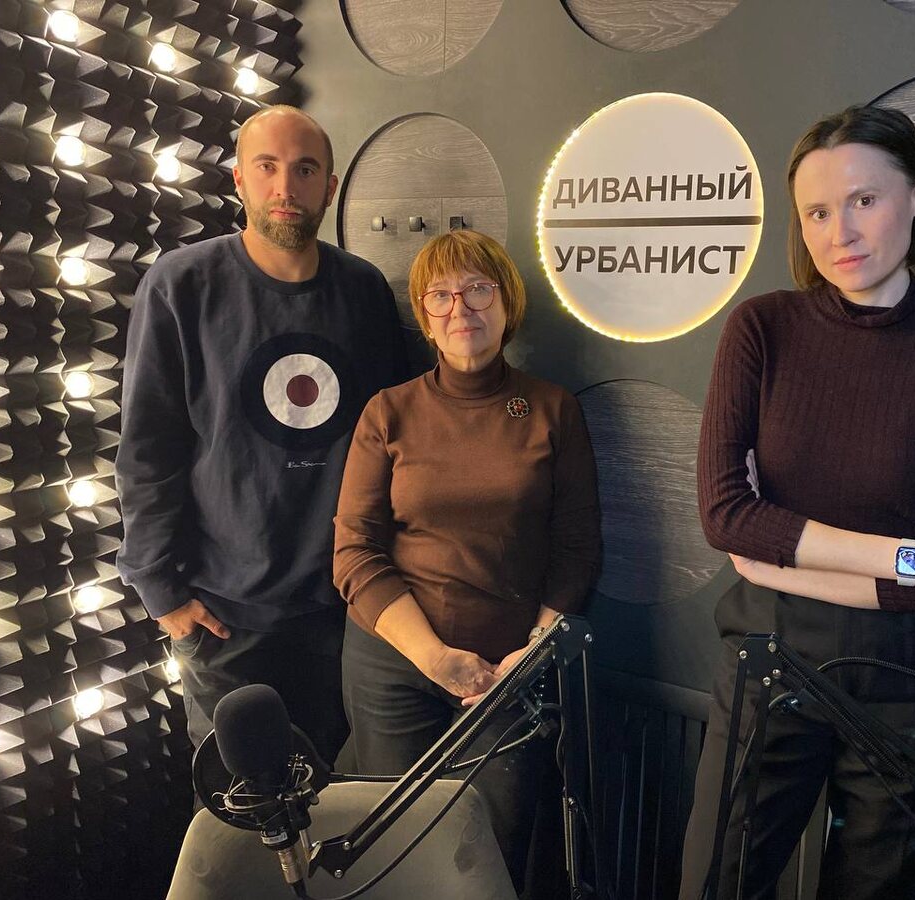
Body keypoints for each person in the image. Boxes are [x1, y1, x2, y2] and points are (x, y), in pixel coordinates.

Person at [679, 105, 915, 900]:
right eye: (818, 212)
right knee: (713, 883)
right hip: (771, 659)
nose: (841, 232)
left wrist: (776, 560)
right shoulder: (761, 329)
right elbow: (726, 517)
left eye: (865, 200)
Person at [116, 105, 408, 764]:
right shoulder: (181, 285)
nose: (285, 187)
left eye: (304, 170)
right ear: (239, 180)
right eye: (267, 167)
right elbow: (147, 450)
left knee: (347, 801)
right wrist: (163, 593)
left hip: (346, 607)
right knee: (244, 807)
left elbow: (394, 443)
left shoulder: (363, 290)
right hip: (225, 618)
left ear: (329, 187)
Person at [332, 229, 601, 888]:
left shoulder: (553, 410)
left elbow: (576, 548)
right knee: (389, 853)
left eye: (479, 289)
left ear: (507, 303)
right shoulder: (388, 412)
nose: (461, 308)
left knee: (487, 856)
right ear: (425, 318)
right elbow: (354, 551)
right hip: (393, 667)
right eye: (441, 295)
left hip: (506, 674)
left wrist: (531, 653)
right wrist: (432, 657)